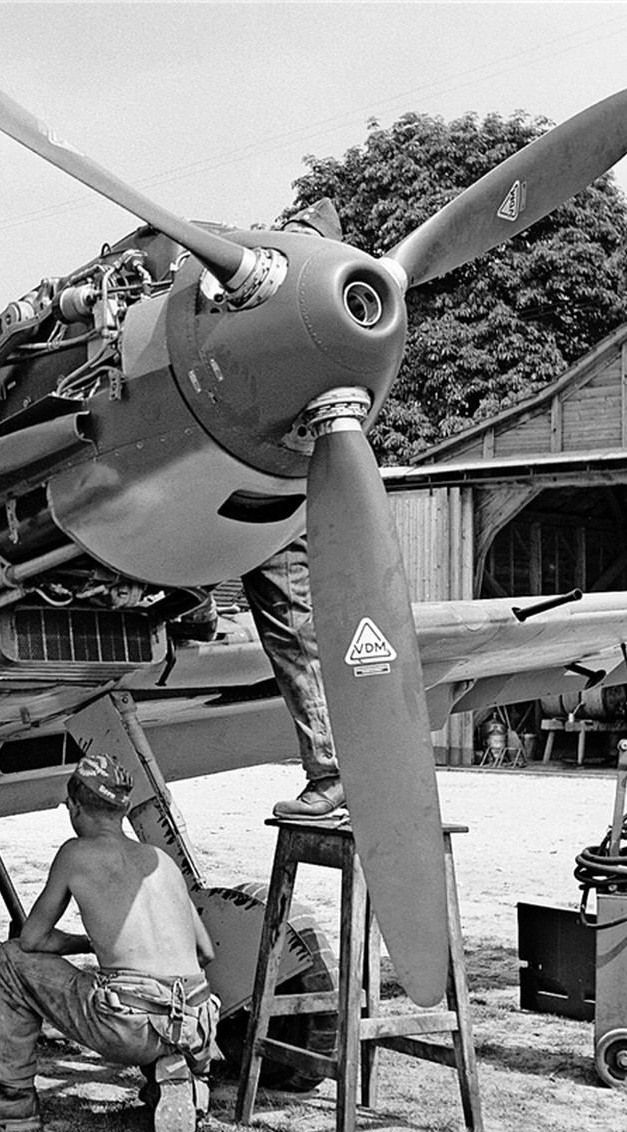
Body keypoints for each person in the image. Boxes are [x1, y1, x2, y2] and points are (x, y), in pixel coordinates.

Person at [0, 755, 221, 1132]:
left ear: (75, 807)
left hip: (130, 1027)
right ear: (122, 808)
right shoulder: (160, 860)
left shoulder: (76, 853)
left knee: (11, 959)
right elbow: (205, 952)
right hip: (196, 1023)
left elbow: (32, 941)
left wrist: (89, 943)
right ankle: (179, 1075)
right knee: (147, 992)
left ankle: (12, 1098)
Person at [259, 196, 345, 818]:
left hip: (280, 504)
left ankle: (334, 771)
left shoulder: (322, 330)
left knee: (295, 631)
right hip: (241, 495)